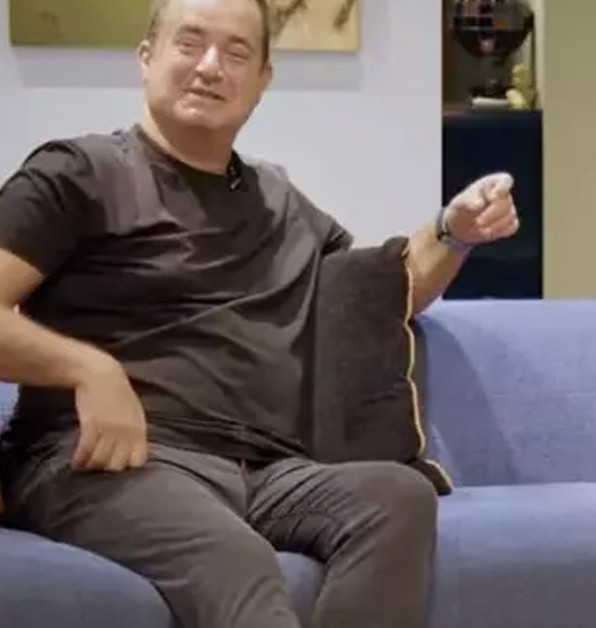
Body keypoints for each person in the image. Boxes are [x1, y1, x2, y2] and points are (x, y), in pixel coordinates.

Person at [0, 0, 520, 627]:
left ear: (262, 80)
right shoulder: (78, 174)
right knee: (236, 559)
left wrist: (454, 231)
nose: (210, 66)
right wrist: (89, 370)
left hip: (263, 472)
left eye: (237, 52)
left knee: (397, 496)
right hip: (110, 462)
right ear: (147, 58)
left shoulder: (278, 201)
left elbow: (386, 292)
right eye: (189, 43)